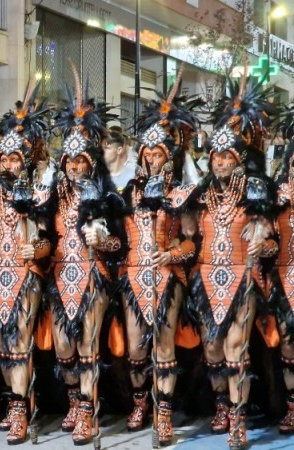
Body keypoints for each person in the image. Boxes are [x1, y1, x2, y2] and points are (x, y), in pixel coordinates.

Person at [186, 76, 278, 450]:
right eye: (216, 157)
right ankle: (221, 405)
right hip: (206, 279)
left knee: (236, 348)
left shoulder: (255, 190)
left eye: (228, 157)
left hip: (242, 277)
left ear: (238, 160)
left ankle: (238, 420)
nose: (221, 162)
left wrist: (263, 245)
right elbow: (188, 235)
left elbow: (269, 238)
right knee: (212, 348)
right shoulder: (201, 192)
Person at [44, 68, 125, 445]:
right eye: (70, 162)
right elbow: (42, 236)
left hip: (94, 277)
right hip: (60, 277)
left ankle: (90, 410)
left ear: (92, 162)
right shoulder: (52, 197)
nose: (76, 167)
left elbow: (120, 246)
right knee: (63, 346)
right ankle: (75, 402)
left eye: (82, 162)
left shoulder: (108, 198)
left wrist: (102, 239)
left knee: (89, 344)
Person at [117, 79, 201, 444]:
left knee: (163, 348)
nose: (152, 158)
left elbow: (191, 242)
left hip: (167, 276)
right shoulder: (127, 192)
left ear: (170, 155)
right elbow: (117, 239)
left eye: (158, 153)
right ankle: (140, 403)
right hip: (133, 275)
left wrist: (170, 253)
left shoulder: (182, 194)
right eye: (147, 153)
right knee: (136, 349)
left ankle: (163, 413)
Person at [0, 84, 51, 445]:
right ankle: (12, 403)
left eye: (14, 160)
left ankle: (21, 409)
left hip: (26, 275)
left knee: (20, 342)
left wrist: (36, 250)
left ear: (25, 161)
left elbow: (51, 240)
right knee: (4, 344)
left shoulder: (39, 194)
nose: (8, 165)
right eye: (3, 160)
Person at [271, 104, 294, 435]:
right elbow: (269, 236)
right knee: (289, 346)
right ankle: (292, 408)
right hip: (284, 277)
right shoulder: (278, 195)